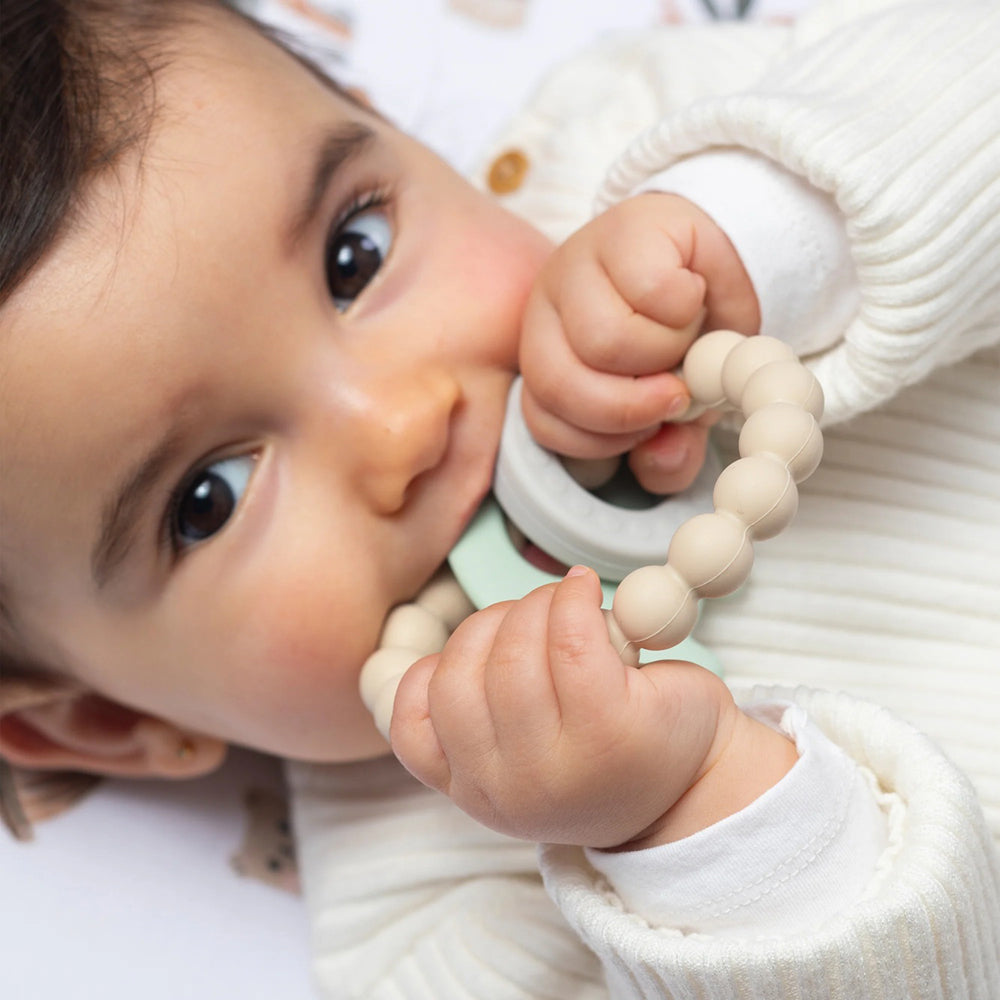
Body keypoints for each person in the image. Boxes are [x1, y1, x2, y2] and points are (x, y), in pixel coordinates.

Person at [0, 1, 997, 998]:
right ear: (103, 720)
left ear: (381, 116)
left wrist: (766, 234)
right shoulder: (427, 926)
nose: (399, 427)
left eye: (356, 253)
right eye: (206, 497)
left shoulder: (629, 145)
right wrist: (687, 826)